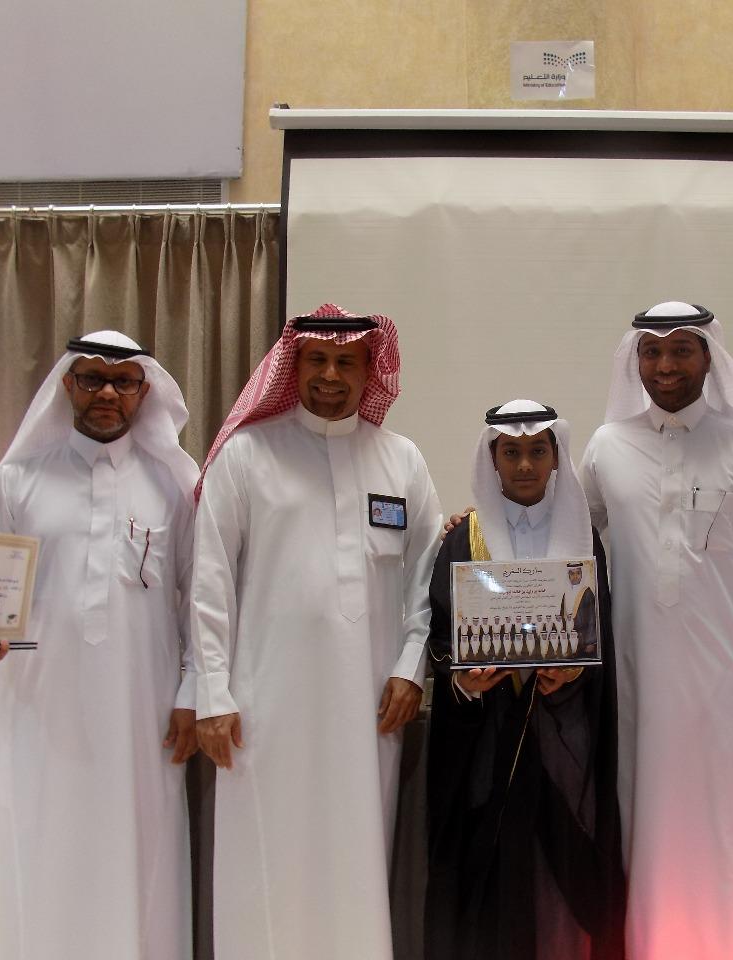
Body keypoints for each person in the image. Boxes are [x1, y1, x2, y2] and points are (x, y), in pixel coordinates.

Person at [191, 303, 442, 960]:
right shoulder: (247, 455)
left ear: (370, 370)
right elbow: (210, 582)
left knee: (354, 857)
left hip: (368, 709)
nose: (330, 375)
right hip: (262, 707)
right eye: (318, 360)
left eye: (346, 362)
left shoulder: (401, 460)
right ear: (293, 364)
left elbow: (427, 576)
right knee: (266, 859)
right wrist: (211, 694)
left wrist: (411, 667)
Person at [0, 331, 199, 960]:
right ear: (68, 385)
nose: (107, 392)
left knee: (137, 848)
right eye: (92, 378)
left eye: (124, 381)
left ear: (144, 391)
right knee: (42, 842)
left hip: (142, 715)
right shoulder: (16, 483)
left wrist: (194, 691)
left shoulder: (175, 486)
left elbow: (199, 599)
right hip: (41, 711)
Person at [579, 301, 733, 959]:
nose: (666, 365)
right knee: (648, 823)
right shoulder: (606, 447)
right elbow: (574, 544)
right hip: (640, 686)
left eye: (682, 349)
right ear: (635, 361)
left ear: (710, 356)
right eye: (652, 351)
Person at [426, 399, 626, 960]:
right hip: (486, 737)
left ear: (556, 457)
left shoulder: (582, 535)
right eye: (510, 452)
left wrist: (575, 670)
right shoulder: (463, 538)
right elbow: (439, 634)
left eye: (538, 451)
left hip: (564, 733)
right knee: (491, 868)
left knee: (563, 866)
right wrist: (465, 681)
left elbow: (600, 630)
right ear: (492, 459)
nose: (524, 465)